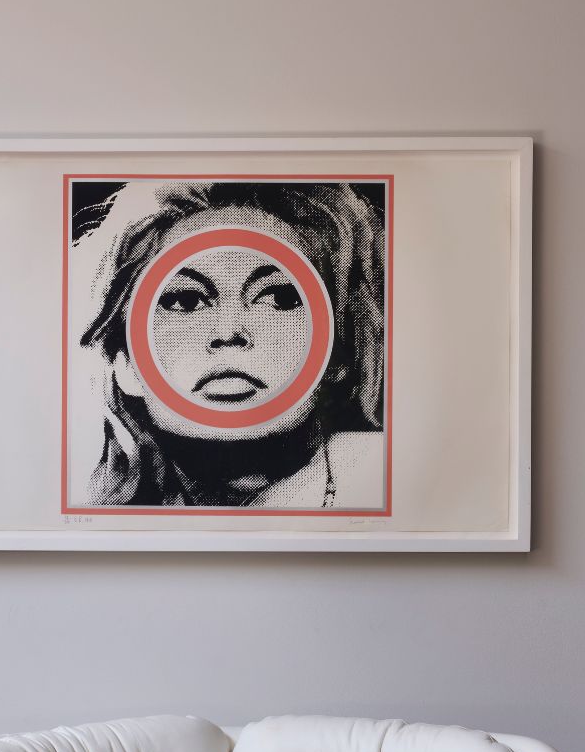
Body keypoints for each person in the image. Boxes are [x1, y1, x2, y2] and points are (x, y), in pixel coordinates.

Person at [72, 179, 386, 509]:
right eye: (186, 301)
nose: (228, 331)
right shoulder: (99, 509)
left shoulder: (380, 480)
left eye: (278, 298)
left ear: (337, 353)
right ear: (125, 363)